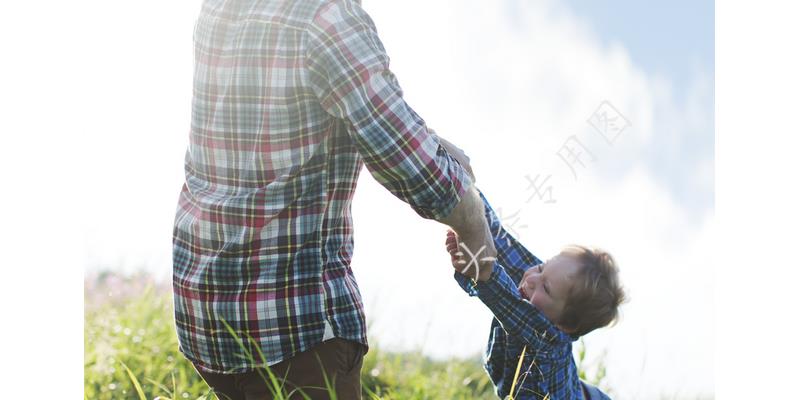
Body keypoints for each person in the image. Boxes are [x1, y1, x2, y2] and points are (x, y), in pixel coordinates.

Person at [171, 0, 495, 398]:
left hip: (205, 303)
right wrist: (473, 222)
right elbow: (410, 164)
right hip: (291, 324)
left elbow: (340, 105)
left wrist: (433, 143)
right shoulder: (327, 17)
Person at [445, 191, 626, 400]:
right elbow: (504, 246)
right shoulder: (540, 285)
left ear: (565, 326)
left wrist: (482, 269)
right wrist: (467, 194)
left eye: (546, 288)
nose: (531, 279)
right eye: (541, 267)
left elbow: (511, 303)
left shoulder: (546, 338)